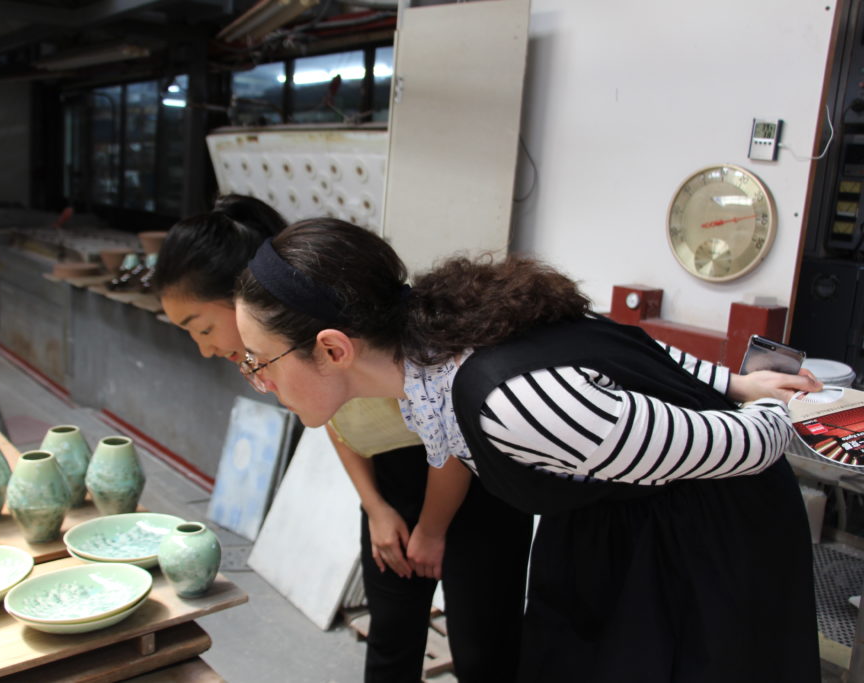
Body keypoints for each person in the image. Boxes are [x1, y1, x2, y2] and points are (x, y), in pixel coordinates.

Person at [233, 217, 824, 683]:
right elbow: (626, 350)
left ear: (334, 349)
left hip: (696, 542)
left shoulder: (506, 401)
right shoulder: (446, 344)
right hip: (609, 532)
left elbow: (737, 447)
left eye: (259, 362)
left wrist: (782, 410)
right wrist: (729, 381)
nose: (257, 380)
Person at [151, 195, 530, 682]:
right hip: (394, 484)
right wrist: (375, 507)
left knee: (484, 646)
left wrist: (433, 529)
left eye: (201, 327)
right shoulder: (282, 357)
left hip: (470, 484)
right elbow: (337, 421)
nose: (204, 349)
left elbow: (449, 434)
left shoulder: (352, 347)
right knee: (391, 635)